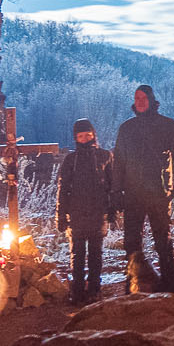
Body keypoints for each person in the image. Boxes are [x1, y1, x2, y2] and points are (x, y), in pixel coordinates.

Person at [111, 83, 174, 292]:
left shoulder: (167, 125)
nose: (140, 102)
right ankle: (133, 283)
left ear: (151, 100)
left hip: (157, 192)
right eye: (137, 98)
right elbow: (119, 161)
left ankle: (169, 285)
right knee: (131, 241)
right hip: (132, 192)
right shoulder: (127, 128)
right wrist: (116, 191)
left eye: (143, 98)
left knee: (162, 239)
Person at [55, 117, 113, 304]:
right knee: (77, 254)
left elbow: (112, 185)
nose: (85, 139)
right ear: (76, 138)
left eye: (88, 135)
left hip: (98, 212)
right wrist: (61, 215)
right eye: (81, 136)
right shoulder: (71, 160)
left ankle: (94, 288)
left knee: (96, 254)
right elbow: (63, 189)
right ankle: (78, 290)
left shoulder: (105, 156)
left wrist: (112, 209)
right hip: (77, 213)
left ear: (94, 135)